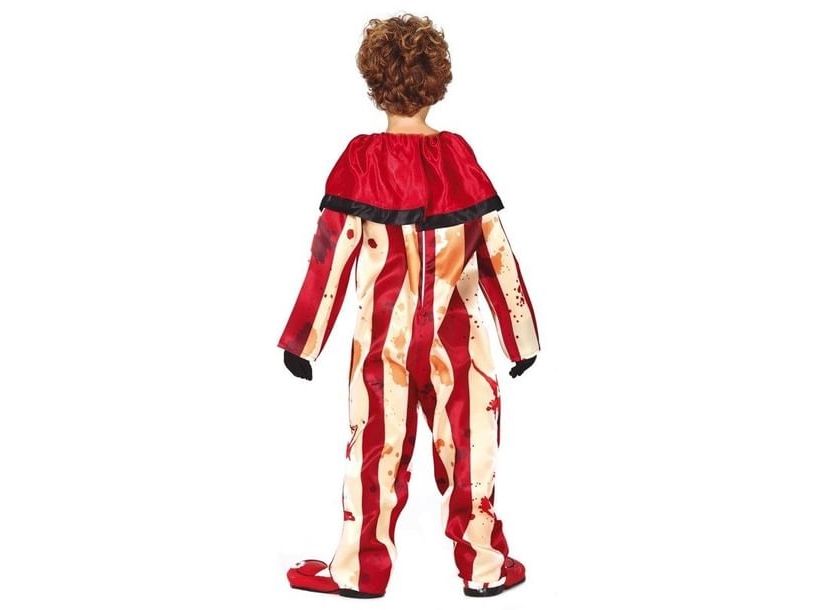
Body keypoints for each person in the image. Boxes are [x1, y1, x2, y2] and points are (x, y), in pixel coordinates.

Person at [279, 13, 540, 599]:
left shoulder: (362, 160)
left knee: (374, 452)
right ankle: (484, 567)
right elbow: (496, 252)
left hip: (382, 342)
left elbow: (329, 254)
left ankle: (360, 571)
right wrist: (521, 339)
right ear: (438, 83)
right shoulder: (458, 157)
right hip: (457, 340)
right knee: (471, 451)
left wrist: (303, 342)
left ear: (374, 85)